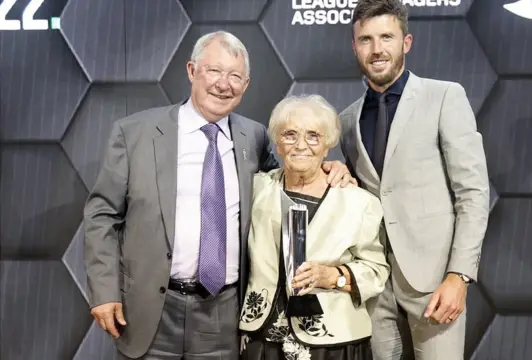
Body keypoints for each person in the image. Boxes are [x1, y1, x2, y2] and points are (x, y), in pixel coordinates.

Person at [83, 31, 353, 360]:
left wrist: (328, 167)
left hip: (223, 310)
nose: (223, 84)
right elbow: (102, 215)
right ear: (191, 70)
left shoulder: (253, 136)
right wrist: (103, 291)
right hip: (149, 308)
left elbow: (290, 176)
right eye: (213, 71)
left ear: (247, 84)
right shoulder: (134, 133)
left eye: (235, 76)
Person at [339, 0, 491, 359]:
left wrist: (459, 276)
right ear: (354, 46)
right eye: (366, 40)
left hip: (435, 282)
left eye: (387, 37)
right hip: (374, 287)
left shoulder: (444, 97)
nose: (377, 50)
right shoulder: (347, 120)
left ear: (406, 42)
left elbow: (472, 193)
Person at [238, 94, 390, 360]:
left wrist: (334, 276)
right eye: (290, 135)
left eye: (313, 136)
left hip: (332, 343)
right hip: (262, 337)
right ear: (277, 142)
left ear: (328, 143)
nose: (300, 145)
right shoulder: (255, 188)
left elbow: (376, 271)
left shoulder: (358, 202)